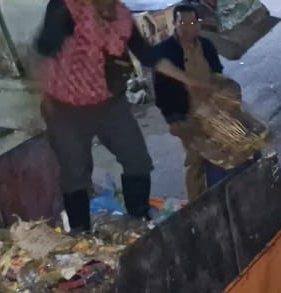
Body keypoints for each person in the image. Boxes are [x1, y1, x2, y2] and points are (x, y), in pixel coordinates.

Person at [35, 0, 204, 232]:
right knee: (76, 175)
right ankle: (80, 233)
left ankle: (138, 220)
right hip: (66, 108)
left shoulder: (123, 16)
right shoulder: (65, 8)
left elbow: (148, 56)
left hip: (109, 104)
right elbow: (44, 52)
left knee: (137, 159)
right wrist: (43, 96)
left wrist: (190, 81)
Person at [154, 3, 228, 201]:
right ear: (174, 25)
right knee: (196, 161)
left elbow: (218, 75)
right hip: (185, 115)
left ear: (199, 24)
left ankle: (224, 196)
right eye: (182, 22)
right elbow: (161, 93)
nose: (188, 27)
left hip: (212, 110)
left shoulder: (207, 46)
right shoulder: (164, 52)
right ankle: (197, 204)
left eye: (193, 22)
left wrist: (227, 97)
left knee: (225, 153)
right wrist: (174, 119)